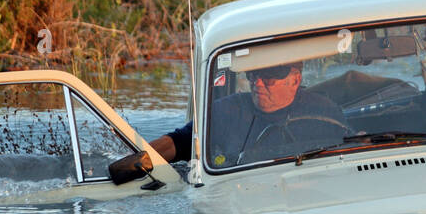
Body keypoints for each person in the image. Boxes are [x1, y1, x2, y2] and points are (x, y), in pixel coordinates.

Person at [108, 62, 347, 183]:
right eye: (253, 74)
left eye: (269, 77)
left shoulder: (325, 112)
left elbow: (350, 153)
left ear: (295, 80)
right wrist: (131, 161)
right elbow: (179, 142)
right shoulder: (226, 111)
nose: (257, 83)